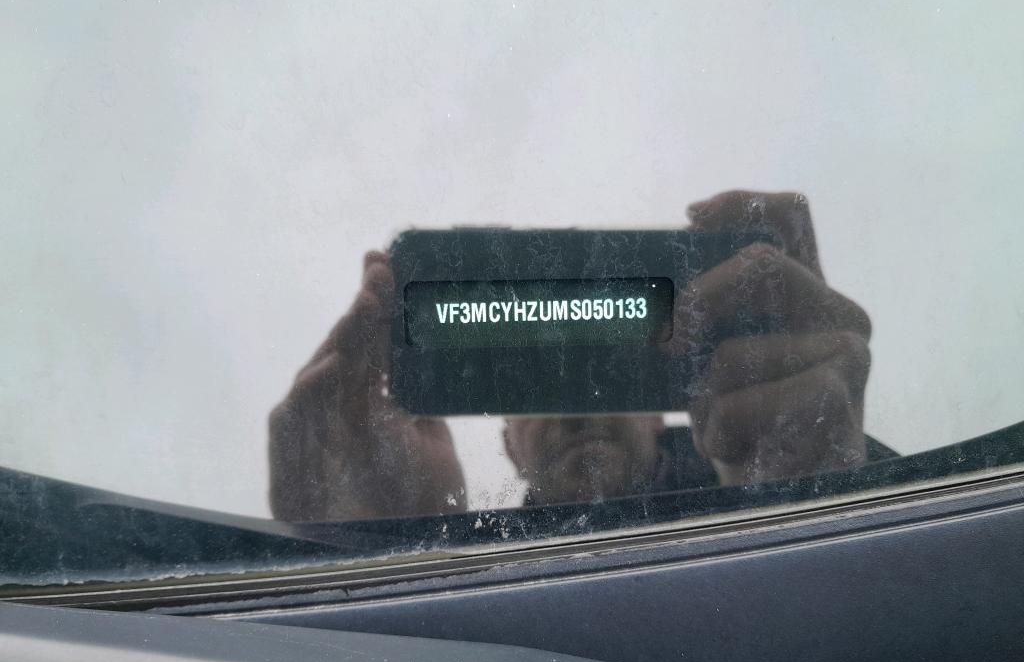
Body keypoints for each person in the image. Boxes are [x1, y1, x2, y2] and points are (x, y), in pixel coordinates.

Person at [269, 190, 874, 521]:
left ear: (657, 409)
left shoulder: (778, 458)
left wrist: (809, 499)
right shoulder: (472, 561)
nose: (576, 409)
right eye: (534, 385)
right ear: (508, 447)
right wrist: (393, 546)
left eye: (602, 369)